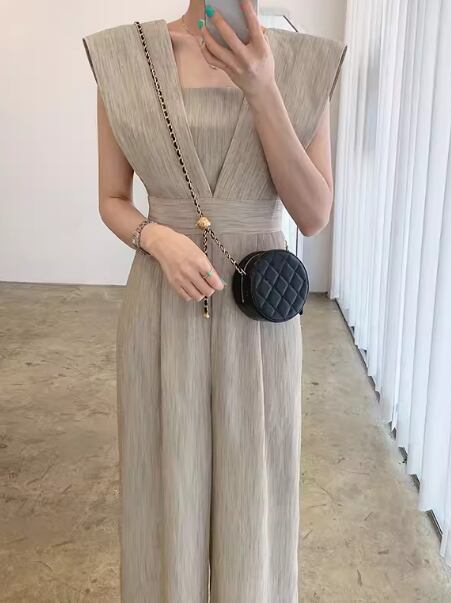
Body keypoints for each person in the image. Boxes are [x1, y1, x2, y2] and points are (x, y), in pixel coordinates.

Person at [82, 1, 346, 600]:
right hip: (162, 302)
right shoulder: (124, 57)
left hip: (261, 318)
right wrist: (156, 238)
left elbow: (312, 214)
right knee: (160, 490)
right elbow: (112, 198)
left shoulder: (304, 63)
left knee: (255, 498)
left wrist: (263, 87)